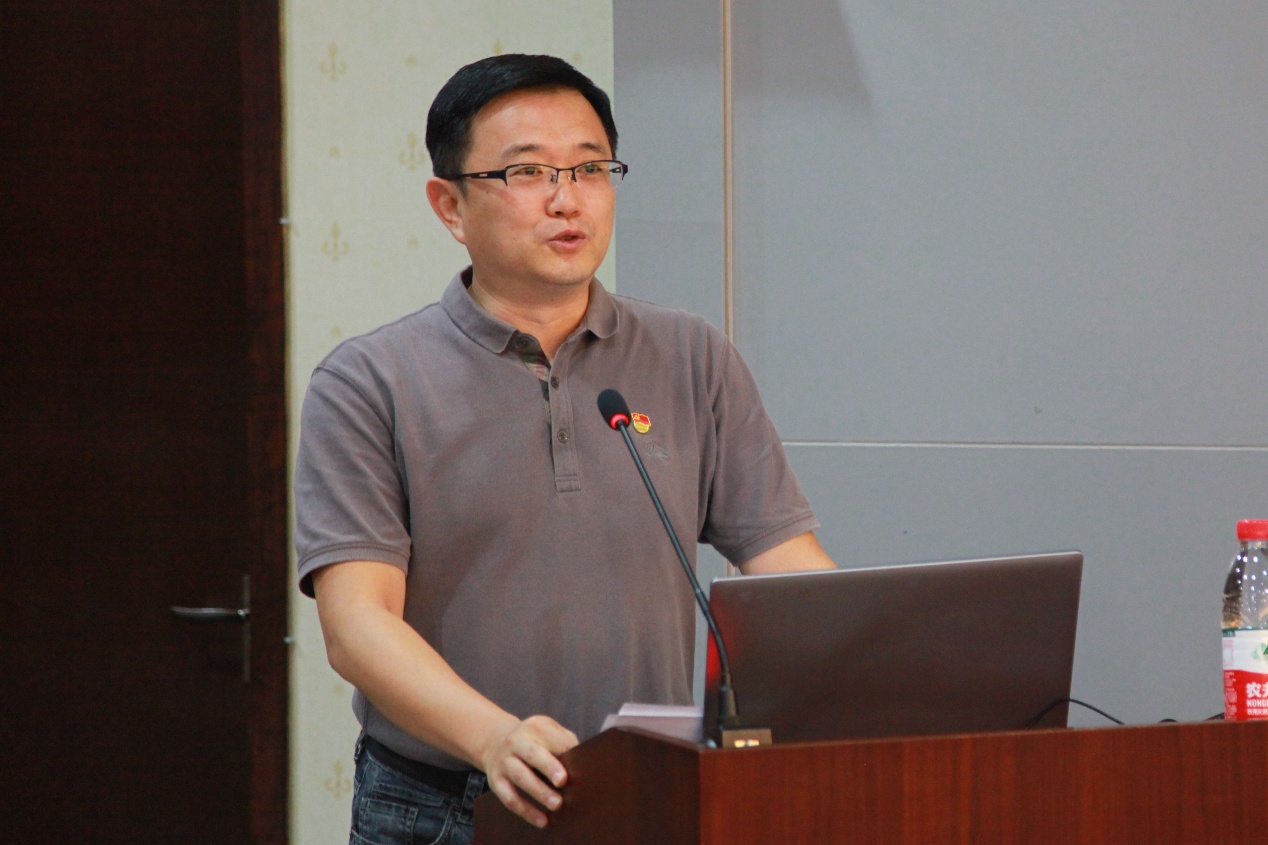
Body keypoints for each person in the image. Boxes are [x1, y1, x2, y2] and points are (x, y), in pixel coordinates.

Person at [294, 53, 836, 844]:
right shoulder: (369, 380)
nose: (566, 198)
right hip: (446, 802)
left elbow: (786, 563)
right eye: (526, 172)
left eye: (590, 168)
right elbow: (357, 624)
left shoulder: (691, 355)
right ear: (450, 205)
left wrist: (889, 663)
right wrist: (494, 737)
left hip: (648, 789)